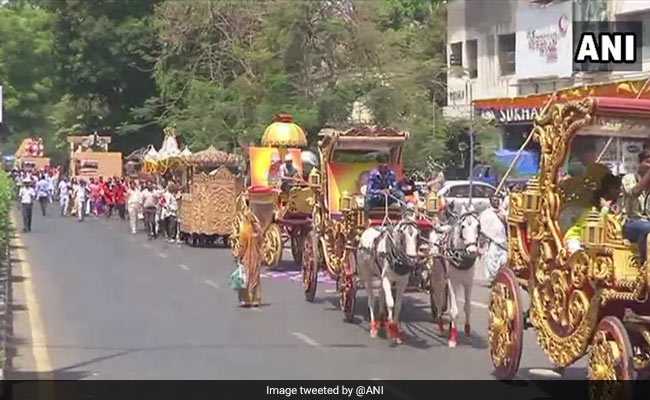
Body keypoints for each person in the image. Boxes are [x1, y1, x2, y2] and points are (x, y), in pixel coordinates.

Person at [565, 173, 622, 255]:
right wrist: (605, 209)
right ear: (608, 189)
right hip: (576, 238)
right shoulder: (591, 210)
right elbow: (597, 225)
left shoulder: (614, 207)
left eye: (619, 188)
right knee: (578, 253)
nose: (619, 192)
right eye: (616, 188)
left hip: (599, 241)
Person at [622, 149, 650, 263]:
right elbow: (635, 192)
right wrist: (648, 176)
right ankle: (645, 264)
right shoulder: (629, 178)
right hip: (631, 223)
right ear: (640, 163)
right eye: (648, 162)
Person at [479, 196, 508, 282]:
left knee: (504, 260)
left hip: (503, 241)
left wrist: (503, 218)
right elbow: (483, 228)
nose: (496, 202)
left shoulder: (503, 212)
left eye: (497, 200)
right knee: (491, 261)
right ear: (490, 202)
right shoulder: (486, 214)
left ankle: (500, 277)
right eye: (494, 200)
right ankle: (492, 279)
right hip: (492, 241)